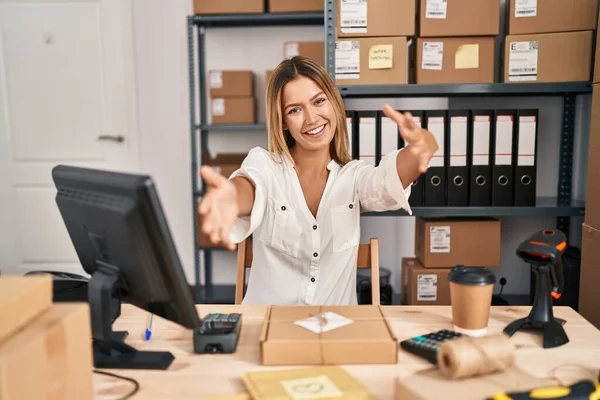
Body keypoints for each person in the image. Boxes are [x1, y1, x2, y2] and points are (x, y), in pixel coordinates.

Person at [197, 56, 438, 305]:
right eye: (295, 110)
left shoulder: (353, 177)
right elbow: (248, 187)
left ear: (333, 103)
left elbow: (387, 182)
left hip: (335, 332)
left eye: (319, 101)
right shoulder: (265, 165)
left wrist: (423, 146)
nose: (312, 118)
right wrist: (231, 198)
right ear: (283, 123)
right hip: (268, 328)